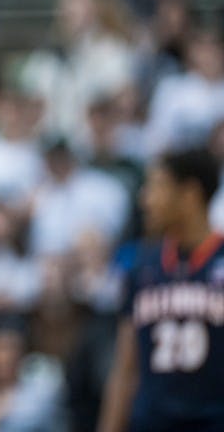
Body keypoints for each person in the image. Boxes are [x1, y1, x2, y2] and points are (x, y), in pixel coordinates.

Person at [98, 148, 224, 432]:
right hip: (153, 422)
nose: (145, 199)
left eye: (157, 186)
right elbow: (124, 369)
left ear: (190, 193)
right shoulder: (142, 267)